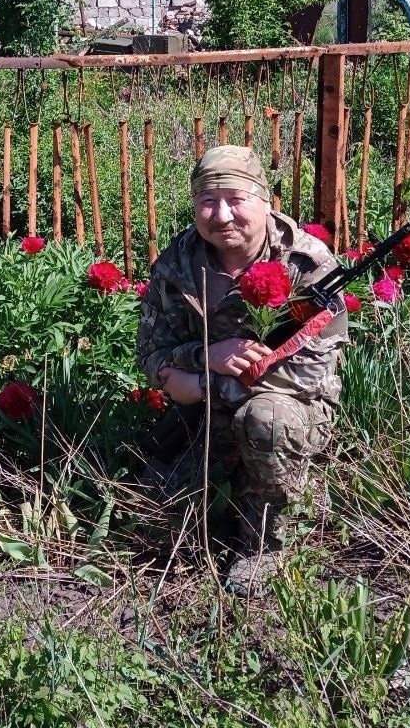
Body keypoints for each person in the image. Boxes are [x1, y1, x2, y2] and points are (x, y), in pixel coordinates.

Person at [136, 145, 348, 594]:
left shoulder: (308, 266)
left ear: (265, 201)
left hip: (288, 411)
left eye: (236, 199)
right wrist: (203, 356)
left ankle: (270, 541)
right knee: (155, 521)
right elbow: (152, 356)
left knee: (265, 419)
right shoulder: (177, 267)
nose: (222, 215)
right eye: (208, 201)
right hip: (202, 415)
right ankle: (229, 489)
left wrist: (205, 384)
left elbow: (309, 377)